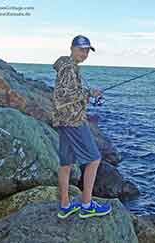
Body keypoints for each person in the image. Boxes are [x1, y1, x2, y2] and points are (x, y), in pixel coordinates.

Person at [52, 35, 111, 219]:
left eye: (87, 50)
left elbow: (67, 93)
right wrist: (88, 93)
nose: (84, 54)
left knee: (66, 164)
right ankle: (87, 205)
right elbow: (62, 97)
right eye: (81, 49)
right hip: (73, 121)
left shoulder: (66, 66)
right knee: (94, 160)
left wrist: (87, 93)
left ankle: (64, 206)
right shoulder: (69, 68)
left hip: (63, 120)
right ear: (72, 48)